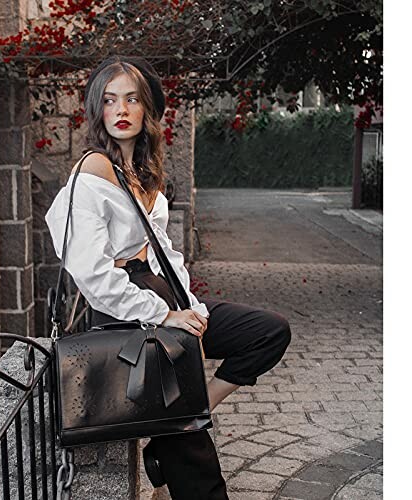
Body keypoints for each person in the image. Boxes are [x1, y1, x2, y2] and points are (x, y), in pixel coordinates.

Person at [45, 55, 291, 500]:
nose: (121, 109)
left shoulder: (143, 171)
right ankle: (180, 433)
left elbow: (166, 254)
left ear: (147, 110)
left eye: (132, 99)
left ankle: (186, 418)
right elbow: (92, 273)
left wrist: (190, 310)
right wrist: (162, 315)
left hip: (163, 298)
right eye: (110, 100)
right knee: (192, 451)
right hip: (125, 311)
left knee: (267, 332)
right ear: (97, 110)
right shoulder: (91, 170)